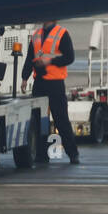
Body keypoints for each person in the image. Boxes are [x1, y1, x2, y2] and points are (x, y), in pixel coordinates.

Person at [22, 19, 80, 164]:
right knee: (40, 121)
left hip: (55, 83)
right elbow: (30, 58)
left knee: (61, 120)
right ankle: (42, 155)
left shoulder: (62, 34)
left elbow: (69, 57)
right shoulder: (36, 35)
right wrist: (24, 78)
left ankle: (73, 153)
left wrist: (51, 61)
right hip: (39, 82)